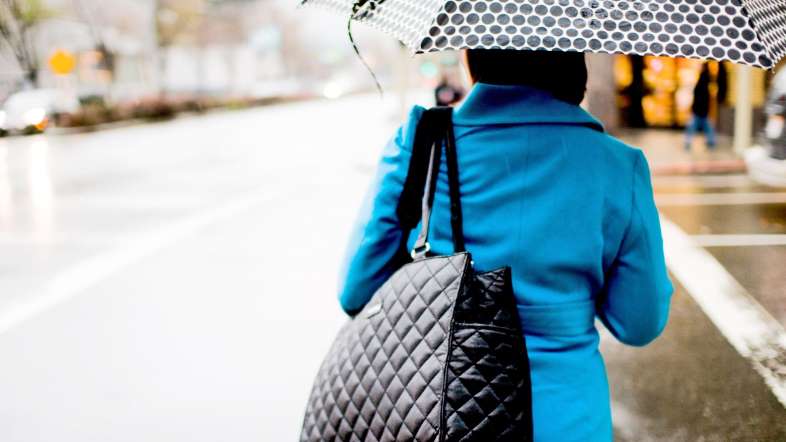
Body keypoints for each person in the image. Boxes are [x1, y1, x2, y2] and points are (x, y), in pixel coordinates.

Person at [337, 49, 673, 441]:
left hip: (438, 411)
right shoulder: (618, 165)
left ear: (473, 54)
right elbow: (640, 323)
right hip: (565, 419)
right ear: (572, 60)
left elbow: (356, 293)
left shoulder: (421, 144)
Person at [685, 63, 717, 151]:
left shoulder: (703, 79)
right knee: (706, 126)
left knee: (693, 126)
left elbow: (698, 95)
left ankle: (688, 141)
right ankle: (711, 141)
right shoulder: (709, 80)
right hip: (703, 108)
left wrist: (694, 106)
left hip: (700, 108)